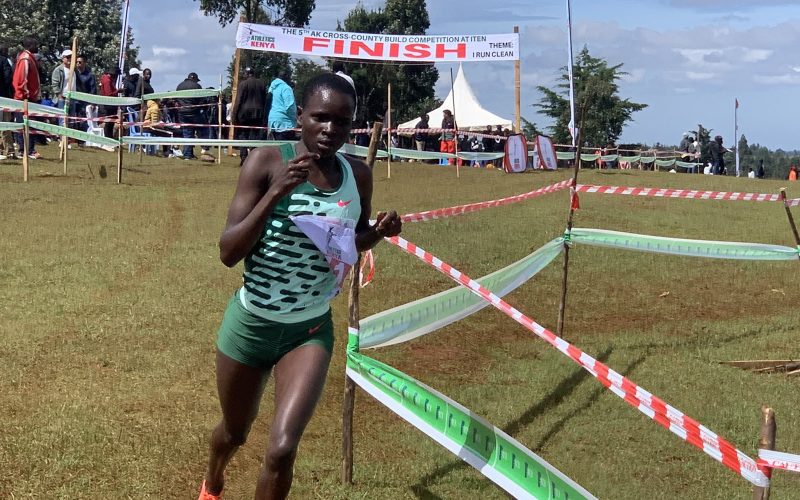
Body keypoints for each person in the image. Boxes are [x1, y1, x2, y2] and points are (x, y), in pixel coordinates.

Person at [197, 72, 402, 500]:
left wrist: (378, 232)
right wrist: (275, 193)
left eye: (342, 122)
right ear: (301, 117)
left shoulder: (357, 175)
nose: (330, 130)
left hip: (308, 331)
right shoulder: (268, 161)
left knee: (283, 447)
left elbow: (350, 243)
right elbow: (228, 252)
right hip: (250, 325)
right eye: (320, 118)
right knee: (234, 433)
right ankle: (213, 480)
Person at [12, 35, 41, 159]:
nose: (38, 47)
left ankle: (29, 149)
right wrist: (25, 94)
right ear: (30, 46)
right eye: (36, 45)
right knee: (24, 125)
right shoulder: (25, 59)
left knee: (29, 125)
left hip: (30, 98)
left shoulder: (29, 58)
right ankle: (25, 150)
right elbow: (21, 78)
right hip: (24, 98)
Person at [232, 66, 267, 166]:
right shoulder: (262, 84)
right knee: (255, 137)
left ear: (246, 74)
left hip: (244, 114)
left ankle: (244, 158)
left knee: (243, 136)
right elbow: (264, 100)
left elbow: (238, 101)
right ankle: (254, 158)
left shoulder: (243, 84)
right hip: (258, 114)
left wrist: (234, 116)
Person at [176, 72, 203, 160]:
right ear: (194, 79)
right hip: (194, 112)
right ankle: (206, 147)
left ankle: (188, 154)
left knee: (187, 133)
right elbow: (201, 100)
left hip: (182, 113)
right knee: (204, 129)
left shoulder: (179, 86)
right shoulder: (197, 86)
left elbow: (176, 99)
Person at [267, 70, 297, 140]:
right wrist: (295, 118)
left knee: (275, 148)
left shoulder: (272, 87)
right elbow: (290, 106)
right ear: (286, 77)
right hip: (285, 123)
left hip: (273, 121)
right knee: (286, 149)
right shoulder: (286, 88)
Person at [99, 66, 121, 138]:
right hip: (108, 106)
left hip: (110, 105)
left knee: (111, 123)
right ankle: (108, 139)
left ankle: (110, 138)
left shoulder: (108, 79)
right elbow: (109, 94)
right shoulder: (107, 80)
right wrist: (118, 91)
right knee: (108, 124)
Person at [0, 43, 13, 159]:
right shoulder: (4, 61)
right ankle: (8, 150)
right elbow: (8, 77)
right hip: (2, 97)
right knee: (5, 124)